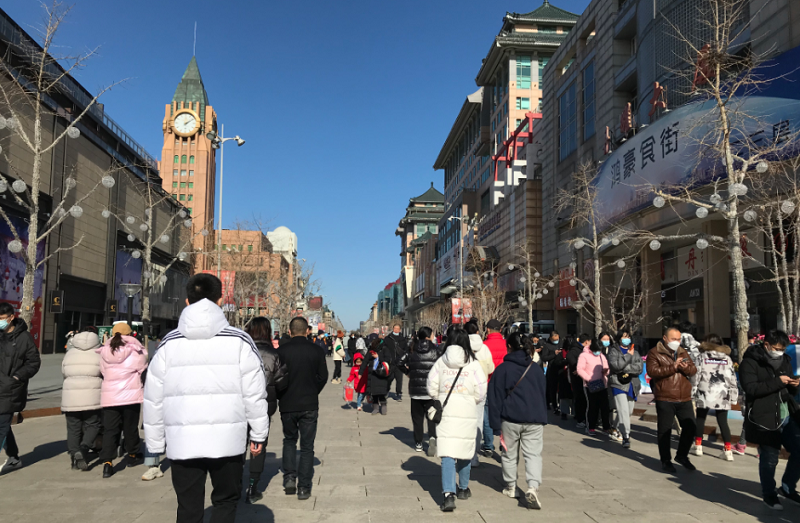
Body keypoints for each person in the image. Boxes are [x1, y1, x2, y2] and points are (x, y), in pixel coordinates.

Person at [144, 274, 270, 522]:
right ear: (220, 300)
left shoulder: (168, 343)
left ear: (187, 301)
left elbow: (153, 397)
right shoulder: (240, 340)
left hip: (182, 441)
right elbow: (255, 392)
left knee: (188, 507)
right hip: (228, 441)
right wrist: (258, 433)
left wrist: (155, 444)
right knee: (225, 502)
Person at [427, 329, 487, 512]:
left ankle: (448, 494)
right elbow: (482, 390)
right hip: (467, 410)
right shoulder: (473, 364)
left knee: (447, 451)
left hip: (446, 412)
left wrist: (440, 396)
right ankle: (463, 488)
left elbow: (431, 386)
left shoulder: (440, 362)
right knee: (464, 449)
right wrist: (470, 399)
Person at [739, 329, 800, 510]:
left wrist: (794, 385)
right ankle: (769, 494)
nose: (779, 352)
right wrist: (778, 382)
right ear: (766, 345)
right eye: (776, 348)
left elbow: (787, 389)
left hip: (786, 414)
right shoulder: (750, 362)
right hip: (764, 417)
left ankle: (788, 487)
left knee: (798, 450)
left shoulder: (785, 361)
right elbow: (751, 389)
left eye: (782, 349)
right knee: (770, 457)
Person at [489, 332, 547, 509]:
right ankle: (533, 487)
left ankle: (511, 486)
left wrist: (494, 424)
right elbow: (543, 392)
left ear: (509, 347)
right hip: (535, 418)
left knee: (508, 453)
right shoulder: (536, 368)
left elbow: (495, 397)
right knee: (533, 454)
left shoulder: (503, 369)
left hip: (510, 418)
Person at [277, 316, 328, 500]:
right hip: (309, 404)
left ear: (290, 331)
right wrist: (313, 391)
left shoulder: (281, 351)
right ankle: (304, 487)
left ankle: (290, 478)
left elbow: (276, 378)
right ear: (307, 331)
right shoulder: (316, 350)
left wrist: (281, 393)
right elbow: (323, 376)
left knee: (289, 440)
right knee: (307, 447)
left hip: (287, 403)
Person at [244, 317, 287, 504]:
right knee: (258, 444)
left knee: (237, 445)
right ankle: (253, 487)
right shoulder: (273, 354)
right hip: (264, 405)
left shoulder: (241, 350)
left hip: (239, 405)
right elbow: (282, 382)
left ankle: (235, 483)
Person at [97, 322, 147, 478]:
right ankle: (132, 455)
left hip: (110, 395)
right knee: (130, 426)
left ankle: (107, 463)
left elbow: (103, 371)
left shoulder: (105, 350)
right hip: (130, 395)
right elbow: (142, 367)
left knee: (110, 430)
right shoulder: (135, 349)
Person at [646, 326, 698, 473]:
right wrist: (673, 367)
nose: (677, 342)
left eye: (679, 339)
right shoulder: (654, 353)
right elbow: (653, 371)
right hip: (665, 396)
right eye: (673, 339)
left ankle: (682, 455)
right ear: (665, 338)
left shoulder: (682, 351)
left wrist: (685, 367)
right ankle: (666, 460)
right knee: (665, 430)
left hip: (684, 397)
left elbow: (693, 370)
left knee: (690, 427)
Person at [0, 302, 41, 475]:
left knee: (1, 425)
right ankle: (14, 457)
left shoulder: (23, 337)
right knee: (4, 426)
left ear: (11, 317)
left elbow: (34, 362)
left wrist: (17, 377)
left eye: (2, 319)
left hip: (11, 389)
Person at [690, 333, 738, 461]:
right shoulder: (727, 359)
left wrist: (692, 391)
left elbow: (696, 376)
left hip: (704, 391)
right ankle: (728, 450)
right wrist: (734, 396)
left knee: (700, 418)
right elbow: (732, 378)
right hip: (723, 393)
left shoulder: (702, 357)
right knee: (723, 421)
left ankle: (698, 446)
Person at [61, 330, 103, 471]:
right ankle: (84, 448)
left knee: (73, 428)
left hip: (71, 397)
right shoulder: (99, 354)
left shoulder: (69, 354)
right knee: (93, 424)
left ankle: (74, 457)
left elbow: (63, 372)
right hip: (92, 395)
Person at [398, 326, 442, 455]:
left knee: (417, 418)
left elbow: (399, 362)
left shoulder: (412, 348)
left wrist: (408, 373)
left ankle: (418, 443)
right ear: (429, 336)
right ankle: (432, 437)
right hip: (431, 390)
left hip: (416, 390)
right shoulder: (436, 350)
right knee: (432, 416)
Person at [465, 321, 495, 466]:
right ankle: (474, 456)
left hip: (463, 390)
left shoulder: (461, 348)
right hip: (481, 389)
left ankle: (463, 453)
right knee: (478, 422)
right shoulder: (484, 348)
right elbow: (490, 369)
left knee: (464, 422)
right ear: (478, 332)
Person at [608, 329, 643, 449]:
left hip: (632, 384)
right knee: (622, 411)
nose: (626, 339)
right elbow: (615, 366)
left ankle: (615, 427)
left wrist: (624, 368)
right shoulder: (613, 351)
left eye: (627, 336)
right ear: (619, 338)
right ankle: (626, 436)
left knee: (628, 411)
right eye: (623, 336)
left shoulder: (636, 352)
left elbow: (639, 368)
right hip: (618, 384)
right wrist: (628, 356)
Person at [481, 319, 507, 456]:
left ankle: (488, 446)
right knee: (505, 415)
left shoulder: (484, 346)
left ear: (488, 330)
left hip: (488, 383)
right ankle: (504, 444)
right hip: (505, 384)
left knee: (487, 415)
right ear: (501, 329)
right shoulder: (507, 345)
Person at [577, 334, 611, 437]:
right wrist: (589, 378)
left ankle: (606, 427)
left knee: (605, 406)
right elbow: (580, 369)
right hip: (589, 385)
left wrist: (606, 371)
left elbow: (606, 367)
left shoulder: (601, 356)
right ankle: (591, 427)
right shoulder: (584, 355)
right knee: (592, 406)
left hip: (602, 384)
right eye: (597, 350)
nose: (598, 352)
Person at [362, 338, 391, 415]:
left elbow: (387, 360)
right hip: (373, 374)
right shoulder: (371, 350)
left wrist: (378, 357)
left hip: (382, 374)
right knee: (374, 393)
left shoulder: (384, 349)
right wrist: (360, 372)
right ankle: (376, 408)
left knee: (381, 392)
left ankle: (384, 406)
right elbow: (365, 361)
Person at [382, 324, 408, 401]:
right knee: (389, 378)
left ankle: (399, 393)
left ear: (400, 330)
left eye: (398, 329)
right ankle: (386, 391)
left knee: (399, 380)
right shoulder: (388, 338)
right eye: (395, 328)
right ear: (393, 329)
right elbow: (383, 349)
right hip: (390, 362)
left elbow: (406, 350)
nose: (396, 330)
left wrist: (405, 362)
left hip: (399, 363)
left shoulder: (403, 339)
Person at [567, 335, 588, 428]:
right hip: (577, 379)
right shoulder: (575, 350)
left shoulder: (583, 349)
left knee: (583, 399)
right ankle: (580, 419)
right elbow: (569, 357)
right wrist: (577, 368)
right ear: (587, 342)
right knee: (580, 399)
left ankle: (583, 418)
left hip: (584, 378)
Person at [542, 331, 562, 413]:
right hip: (551, 369)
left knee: (561, 388)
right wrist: (554, 354)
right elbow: (544, 357)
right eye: (554, 339)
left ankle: (561, 405)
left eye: (557, 338)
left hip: (561, 368)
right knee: (552, 388)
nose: (556, 340)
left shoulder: (561, 343)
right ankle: (554, 405)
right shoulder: (547, 346)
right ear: (550, 338)